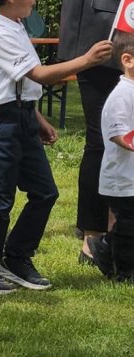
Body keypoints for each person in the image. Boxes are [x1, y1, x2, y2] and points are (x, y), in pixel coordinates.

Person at [0, 0, 112, 294]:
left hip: (22, 118)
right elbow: (38, 74)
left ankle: (16, 258)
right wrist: (86, 61)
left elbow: (22, 85)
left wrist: (37, 118)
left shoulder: (14, 25)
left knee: (45, 192)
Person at [60, 0, 134, 264]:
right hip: (99, 39)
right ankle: (93, 234)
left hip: (120, 33)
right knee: (102, 137)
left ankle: (117, 228)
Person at [87, 30, 134, 284]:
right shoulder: (121, 95)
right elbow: (119, 134)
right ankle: (122, 270)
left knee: (129, 226)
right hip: (122, 178)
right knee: (128, 227)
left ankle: (103, 247)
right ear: (128, 60)